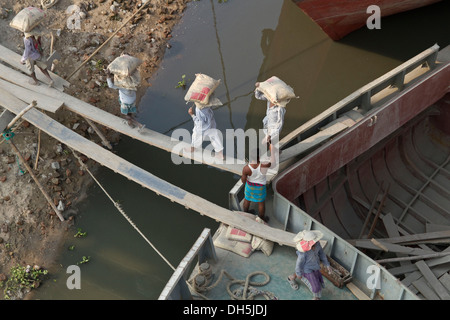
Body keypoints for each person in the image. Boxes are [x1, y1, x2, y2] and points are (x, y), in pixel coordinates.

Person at [287, 230, 332, 300]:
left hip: (315, 266)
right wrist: (298, 273)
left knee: (315, 278)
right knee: (316, 285)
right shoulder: (303, 252)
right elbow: (299, 264)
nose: (316, 243)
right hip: (307, 269)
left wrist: (327, 264)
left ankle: (291, 277)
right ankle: (316, 297)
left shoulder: (318, 244)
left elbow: (322, 254)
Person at [255, 82, 286, 156]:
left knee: (269, 142)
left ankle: (274, 156)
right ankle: (277, 152)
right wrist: (258, 88)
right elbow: (258, 96)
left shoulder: (280, 108)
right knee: (269, 142)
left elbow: (280, 123)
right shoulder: (270, 99)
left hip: (274, 129)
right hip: (267, 123)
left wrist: (271, 135)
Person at [240, 148, 272, 222]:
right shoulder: (264, 165)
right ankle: (261, 218)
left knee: (247, 200)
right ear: (259, 157)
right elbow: (272, 161)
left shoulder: (246, 168)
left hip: (249, 187)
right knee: (261, 203)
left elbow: (243, 181)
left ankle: (246, 213)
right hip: (260, 188)